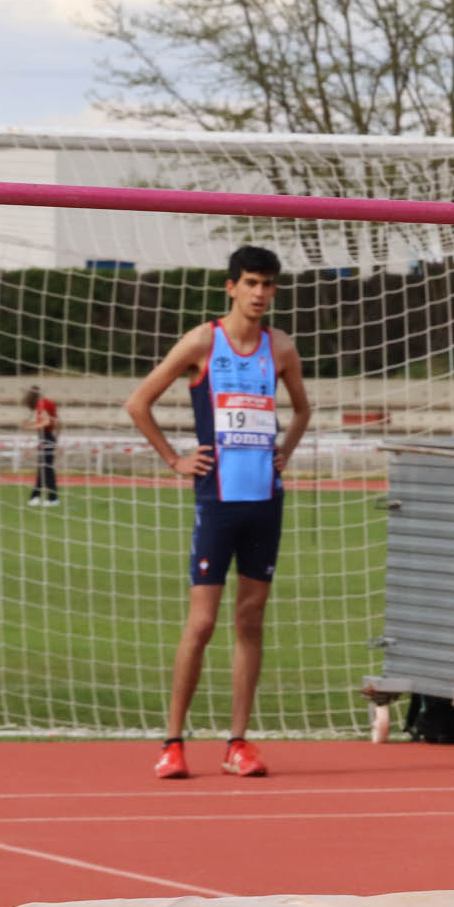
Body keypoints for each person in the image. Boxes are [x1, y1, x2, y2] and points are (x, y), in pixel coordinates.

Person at [123, 245, 312, 780]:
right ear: (230, 286)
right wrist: (173, 459)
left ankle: (237, 743)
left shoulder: (280, 348)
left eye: (268, 285)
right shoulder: (204, 341)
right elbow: (139, 402)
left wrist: (286, 451)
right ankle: (173, 741)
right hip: (217, 502)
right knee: (202, 623)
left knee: (250, 618)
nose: (260, 294)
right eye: (251, 283)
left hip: (265, 502)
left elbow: (302, 408)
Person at [23, 385, 60, 506]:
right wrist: (56, 438)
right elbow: (57, 422)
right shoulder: (49, 403)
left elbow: (46, 421)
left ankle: (53, 498)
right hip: (49, 437)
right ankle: (35, 496)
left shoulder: (41, 404)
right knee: (43, 467)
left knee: (46, 468)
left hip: (45, 436)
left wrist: (30, 427)